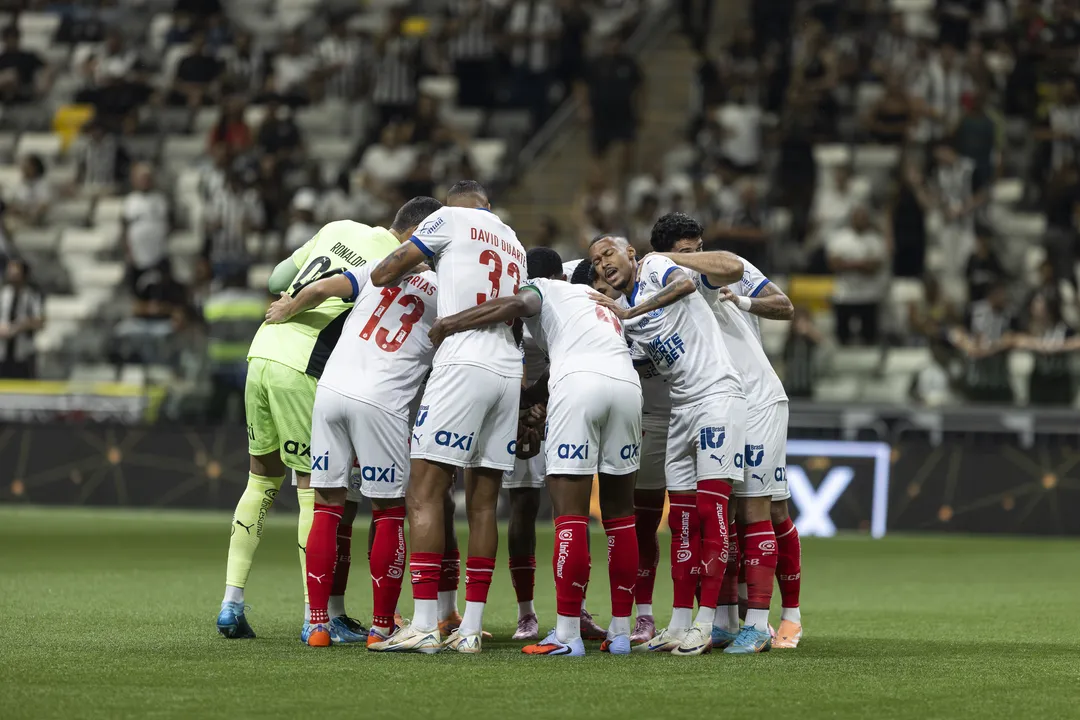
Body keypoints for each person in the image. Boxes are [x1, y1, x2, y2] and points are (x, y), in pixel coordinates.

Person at [214, 197, 437, 642]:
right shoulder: (396, 260)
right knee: (314, 493)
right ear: (416, 236)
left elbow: (279, 278)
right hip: (306, 366)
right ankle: (317, 618)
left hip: (263, 349)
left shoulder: (337, 225)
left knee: (259, 480)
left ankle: (231, 601)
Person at [429, 247, 642, 656]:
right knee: (620, 518)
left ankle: (565, 633)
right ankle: (619, 632)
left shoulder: (543, 288)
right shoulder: (600, 302)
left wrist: (451, 323)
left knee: (571, 516)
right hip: (627, 387)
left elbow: (516, 302)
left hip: (580, 385)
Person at [369, 181, 526, 654]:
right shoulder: (513, 239)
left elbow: (384, 273)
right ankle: (471, 628)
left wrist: (424, 259)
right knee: (483, 502)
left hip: (463, 362)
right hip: (508, 368)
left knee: (425, 492)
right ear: (488, 206)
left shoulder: (447, 218)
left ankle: (422, 623)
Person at [588, 230, 745, 656]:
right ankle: (677, 624)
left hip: (717, 396)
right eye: (597, 259)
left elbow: (685, 285)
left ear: (631, 253)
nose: (603, 262)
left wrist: (629, 312)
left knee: (712, 514)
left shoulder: (656, 267)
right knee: (681, 523)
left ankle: (707, 622)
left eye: (609, 252)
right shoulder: (619, 310)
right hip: (680, 410)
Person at [656, 213, 803, 651]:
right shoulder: (662, 286)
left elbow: (784, 305)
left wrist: (740, 302)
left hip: (757, 397)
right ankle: (726, 618)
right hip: (715, 404)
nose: (695, 257)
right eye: (687, 251)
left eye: (697, 247)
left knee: (766, 511)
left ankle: (776, 620)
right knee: (724, 514)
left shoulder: (719, 268)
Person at [497, 257, 608, 644]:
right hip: (521, 412)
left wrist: (542, 403)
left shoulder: (569, 285)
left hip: (563, 407)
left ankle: (575, 609)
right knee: (523, 508)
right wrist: (523, 412)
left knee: (571, 511)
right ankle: (525, 613)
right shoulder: (515, 297)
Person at [583, 261, 667, 647]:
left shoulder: (654, 298)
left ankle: (720, 613)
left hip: (688, 410)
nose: (604, 283)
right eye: (597, 276)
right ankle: (644, 615)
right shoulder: (596, 318)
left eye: (608, 275)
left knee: (702, 518)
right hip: (642, 418)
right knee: (643, 523)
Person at [826, 206, 888, 345]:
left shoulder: (875, 240)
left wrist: (847, 263)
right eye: (857, 217)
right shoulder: (840, 238)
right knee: (842, 337)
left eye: (863, 217)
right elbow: (834, 265)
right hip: (844, 295)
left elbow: (874, 267)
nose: (860, 220)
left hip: (868, 296)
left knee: (870, 337)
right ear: (852, 218)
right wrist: (861, 264)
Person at [0, 258, 44, 379]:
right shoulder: (3, 295)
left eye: (16, 273)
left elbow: (39, 321)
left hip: (23, 354)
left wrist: (20, 326)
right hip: (2, 352)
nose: (12, 275)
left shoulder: (31, 296)